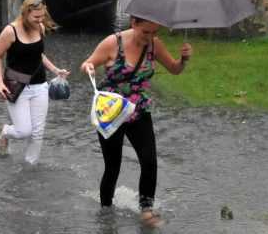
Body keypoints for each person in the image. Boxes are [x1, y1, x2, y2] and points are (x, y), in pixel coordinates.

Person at [80, 16, 192, 227]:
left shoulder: (154, 45)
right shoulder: (112, 43)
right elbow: (87, 64)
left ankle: (146, 209)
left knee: (149, 161)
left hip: (139, 110)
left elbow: (174, 69)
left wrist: (183, 60)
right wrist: (89, 67)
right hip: (111, 110)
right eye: (145, 32)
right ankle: (106, 213)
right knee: (113, 166)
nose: (149, 37)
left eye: (154, 33)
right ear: (134, 23)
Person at [0, 0, 70, 164]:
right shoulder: (10, 31)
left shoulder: (39, 28)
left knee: (37, 132)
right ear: (25, 13)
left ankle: (29, 166)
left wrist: (56, 70)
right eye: (36, 17)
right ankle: (5, 131)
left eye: (42, 16)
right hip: (16, 86)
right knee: (23, 131)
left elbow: (38, 54)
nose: (40, 20)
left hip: (40, 86)